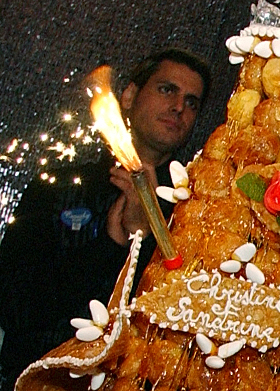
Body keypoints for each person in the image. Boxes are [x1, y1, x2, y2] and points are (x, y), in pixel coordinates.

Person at [0, 48, 210, 391]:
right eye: (167, 89)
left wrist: (142, 235)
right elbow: (15, 305)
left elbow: (182, 320)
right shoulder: (59, 188)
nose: (179, 107)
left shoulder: (194, 210)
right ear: (128, 96)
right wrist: (112, 245)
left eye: (192, 102)